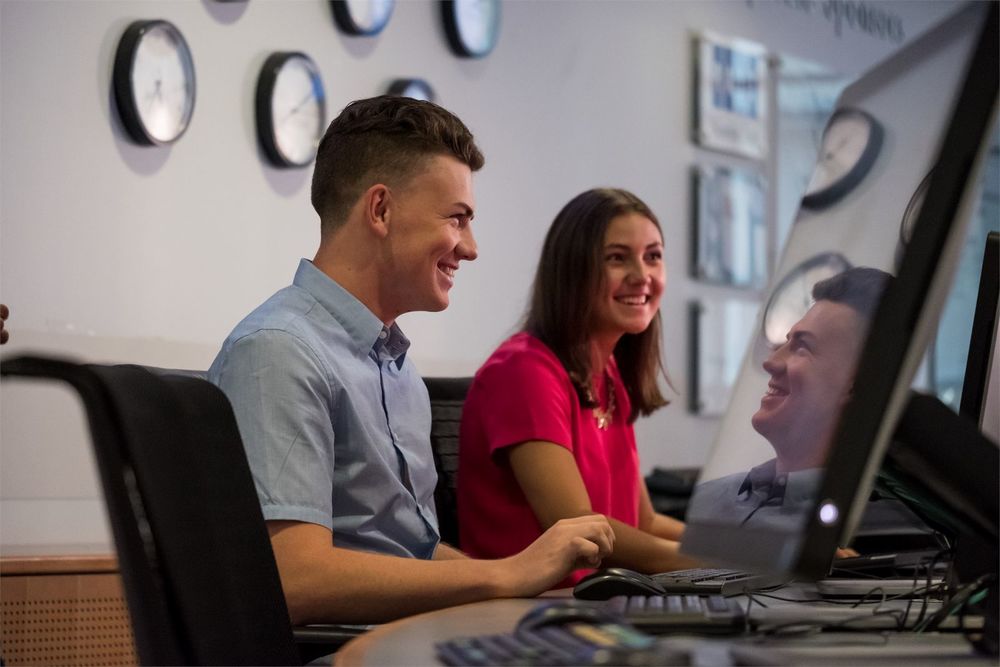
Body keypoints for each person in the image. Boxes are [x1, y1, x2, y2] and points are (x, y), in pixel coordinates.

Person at [209, 96, 614, 626]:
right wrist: (506, 574)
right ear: (381, 210)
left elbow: (408, 555)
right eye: (457, 219)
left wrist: (519, 596)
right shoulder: (278, 351)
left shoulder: (396, 367)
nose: (469, 247)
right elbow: (292, 579)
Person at [457, 188, 697, 587]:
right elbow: (582, 533)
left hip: (601, 601)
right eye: (617, 258)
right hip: (527, 615)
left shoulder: (608, 374)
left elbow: (645, 521)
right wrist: (722, 561)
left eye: (653, 256)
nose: (642, 276)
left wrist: (753, 551)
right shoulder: (523, 370)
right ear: (571, 269)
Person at [687, 267, 905, 531]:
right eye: (785, 343)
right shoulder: (707, 501)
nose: (770, 362)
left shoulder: (882, 528)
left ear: (860, 384)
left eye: (802, 347)